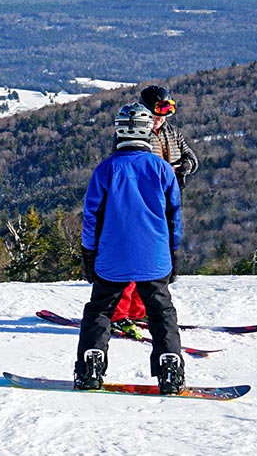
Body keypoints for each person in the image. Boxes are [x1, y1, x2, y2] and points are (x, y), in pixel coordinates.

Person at [75, 102, 185, 394]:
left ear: (118, 131)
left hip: (112, 257)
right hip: (155, 257)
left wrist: (89, 254)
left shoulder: (106, 169)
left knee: (99, 311)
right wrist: (174, 253)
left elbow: (91, 217)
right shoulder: (162, 169)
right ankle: (170, 369)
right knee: (161, 313)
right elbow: (175, 215)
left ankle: (90, 368)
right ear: (148, 131)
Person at [109, 85, 199, 338]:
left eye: (167, 110)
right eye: (157, 111)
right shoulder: (134, 132)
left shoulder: (172, 133)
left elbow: (191, 157)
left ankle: (138, 310)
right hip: (140, 203)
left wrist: (183, 168)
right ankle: (120, 312)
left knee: (152, 259)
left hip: (165, 202)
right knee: (132, 256)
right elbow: (124, 163)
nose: (162, 116)